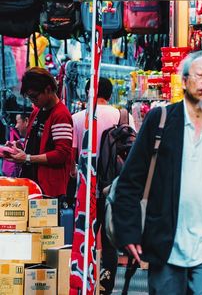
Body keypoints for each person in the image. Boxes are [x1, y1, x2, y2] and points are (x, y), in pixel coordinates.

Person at [111, 51, 202, 295]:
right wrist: (129, 231)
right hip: (167, 246)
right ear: (184, 81)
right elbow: (130, 181)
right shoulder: (160, 120)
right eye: (199, 75)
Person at [71, 77, 134, 295]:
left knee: (84, 237)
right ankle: (106, 286)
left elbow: (73, 159)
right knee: (109, 243)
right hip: (113, 188)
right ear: (109, 93)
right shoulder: (123, 116)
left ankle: (83, 282)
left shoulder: (77, 118)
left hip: (85, 188)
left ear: (88, 91)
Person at [4, 68, 73, 199]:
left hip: (49, 190)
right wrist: (19, 148)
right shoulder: (37, 111)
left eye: (34, 96)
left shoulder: (61, 115)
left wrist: (27, 158)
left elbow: (62, 154)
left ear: (48, 89)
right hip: (32, 184)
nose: (32, 101)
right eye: (30, 98)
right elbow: (38, 145)